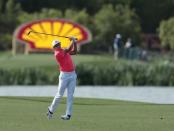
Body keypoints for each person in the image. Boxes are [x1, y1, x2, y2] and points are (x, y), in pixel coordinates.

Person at [47, 37, 77, 120]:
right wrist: (72, 40)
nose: (58, 45)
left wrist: (74, 43)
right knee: (59, 95)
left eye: (59, 44)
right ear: (54, 48)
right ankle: (51, 110)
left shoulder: (63, 50)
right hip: (64, 76)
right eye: (56, 45)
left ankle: (68, 115)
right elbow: (68, 49)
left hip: (72, 74)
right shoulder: (57, 54)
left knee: (70, 95)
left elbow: (74, 52)